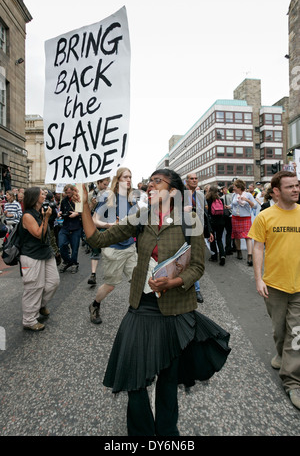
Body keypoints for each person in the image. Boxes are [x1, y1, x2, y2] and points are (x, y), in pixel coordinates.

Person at [75, 168, 231, 436]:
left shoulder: (190, 219)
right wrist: (83, 204)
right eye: (149, 182)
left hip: (175, 308)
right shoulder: (140, 216)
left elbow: (196, 266)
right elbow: (97, 238)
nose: (149, 186)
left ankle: (168, 434)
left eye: (157, 182)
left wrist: (173, 282)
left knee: (168, 381)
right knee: (135, 378)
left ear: (172, 191)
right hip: (142, 306)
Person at [248, 170, 300, 410]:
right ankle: (281, 355)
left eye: (297, 185)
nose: (296, 190)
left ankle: (292, 382)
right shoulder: (265, 216)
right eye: (290, 187)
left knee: (296, 333)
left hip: (299, 286)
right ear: (277, 191)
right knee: (280, 331)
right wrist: (258, 279)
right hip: (275, 285)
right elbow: (258, 248)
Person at [88, 167, 137, 324]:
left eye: (130, 177)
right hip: (113, 248)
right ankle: (95, 305)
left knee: (137, 280)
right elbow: (94, 220)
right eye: (125, 177)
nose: (128, 180)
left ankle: (139, 310)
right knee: (110, 285)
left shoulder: (132, 198)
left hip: (130, 247)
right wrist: (109, 225)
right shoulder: (108, 197)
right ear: (118, 179)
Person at [19, 187, 60, 331]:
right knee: (34, 287)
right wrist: (46, 218)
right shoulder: (28, 216)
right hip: (31, 255)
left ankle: (40, 305)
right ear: (34, 198)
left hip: (45, 253)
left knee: (53, 282)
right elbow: (39, 234)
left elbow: (48, 235)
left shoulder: (39, 212)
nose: (45, 195)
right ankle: (29, 320)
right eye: (42, 194)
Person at [185, 172, 206, 302]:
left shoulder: (200, 194)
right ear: (186, 181)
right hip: (184, 229)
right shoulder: (180, 195)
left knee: (196, 259)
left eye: (196, 178)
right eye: (191, 179)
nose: (194, 180)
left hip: (198, 230)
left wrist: (208, 231)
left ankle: (194, 286)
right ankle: (196, 289)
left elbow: (204, 212)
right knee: (188, 258)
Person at [225, 179, 255, 266]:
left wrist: (247, 200)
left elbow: (255, 205)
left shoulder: (248, 195)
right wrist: (228, 206)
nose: (233, 189)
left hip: (245, 218)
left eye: (235, 187)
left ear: (239, 188)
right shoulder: (234, 195)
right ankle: (239, 251)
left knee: (248, 237)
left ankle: (249, 256)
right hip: (235, 218)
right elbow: (233, 204)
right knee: (236, 235)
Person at [87, 177, 111, 285]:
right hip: (95, 223)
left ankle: (109, 274)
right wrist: (93, 204)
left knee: (108, 250)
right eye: (105, 184)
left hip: (108, 224)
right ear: (98, 182)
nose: (106, 186)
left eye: (108, 184)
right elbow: (86, 211)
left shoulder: (111, 194)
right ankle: (93, 274)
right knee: (95, 249)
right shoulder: (90, 195)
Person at [58, 184, 82, 273]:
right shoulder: (63, 201)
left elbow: (84, 212)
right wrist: (60, 213)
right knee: (62, 244)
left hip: (76, 226)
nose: (68, 194)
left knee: (74, 247)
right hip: (66, 225)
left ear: (73, 191)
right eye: (66, 192)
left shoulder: (78, 200)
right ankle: (68, 261)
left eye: (69, 192)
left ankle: (74, 263)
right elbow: (62, 211)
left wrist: (77, 213)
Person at [205, 186, 226, 265]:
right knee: (219, 239)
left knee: (212, 239)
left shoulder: (208, 200)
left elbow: (207, 211)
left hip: (212, 222)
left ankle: (214, 256)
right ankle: (222, 255)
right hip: (221, 222)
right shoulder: (221, 200)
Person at [221, 185, 234, 255]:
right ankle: (229, 248)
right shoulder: (232, 196)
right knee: (229, 232)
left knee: (225, 233)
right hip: (230, 215)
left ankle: (225, 247)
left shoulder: (222, 197)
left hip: (223, 215)